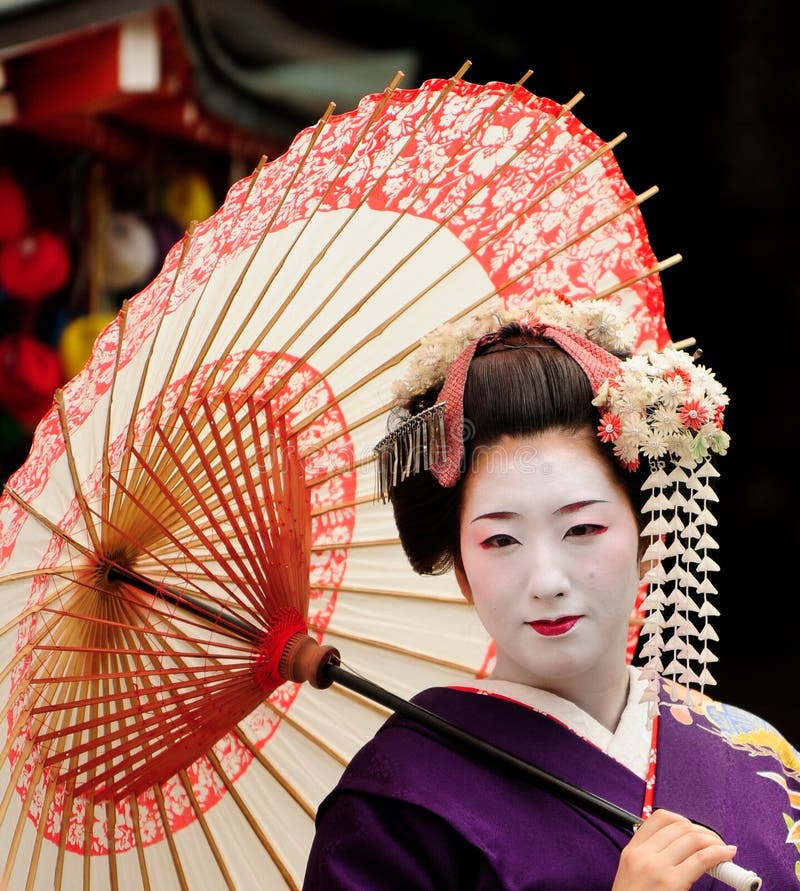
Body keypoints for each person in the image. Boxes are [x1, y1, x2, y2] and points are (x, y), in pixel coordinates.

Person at [302, 295, 800, 890]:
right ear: (459, 566)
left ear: (650, 534)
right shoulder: (400, 805)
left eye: (583, 528)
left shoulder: (765, 761)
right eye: (500, 540)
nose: (546, 581)